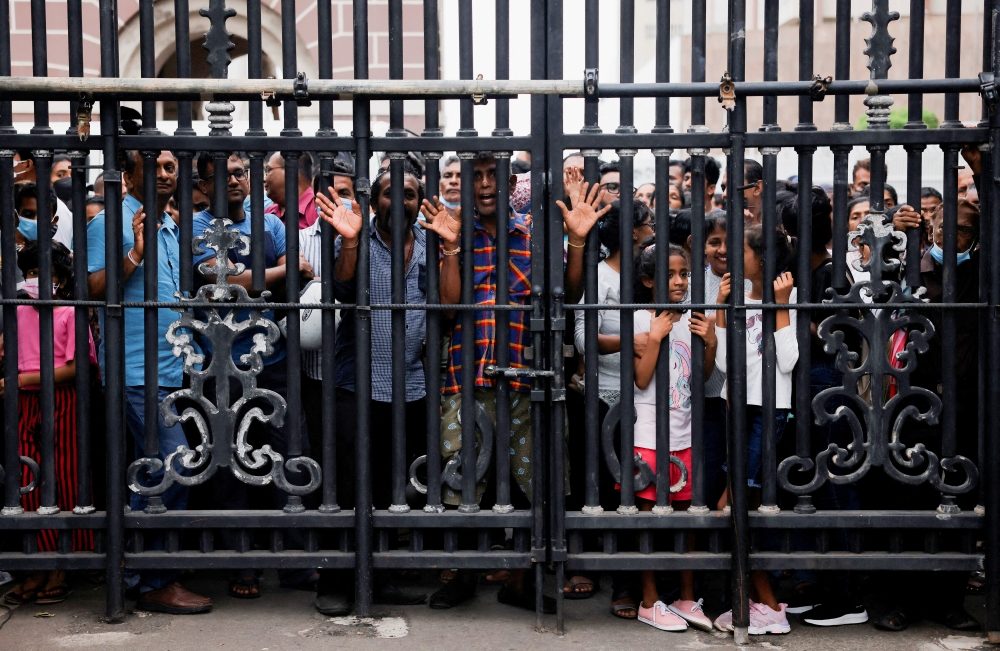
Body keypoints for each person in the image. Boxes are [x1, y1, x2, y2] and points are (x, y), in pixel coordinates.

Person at [418, 152, 609, 613]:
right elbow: (448, 309)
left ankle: (522, 582)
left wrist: (578, 242)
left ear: (508, 185)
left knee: (535, 482)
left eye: (492, 176)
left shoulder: (534, 234)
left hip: (528, 376)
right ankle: (462, 577)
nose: (484, 185)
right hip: (468, 374)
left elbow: (569, 294)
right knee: (462, 478)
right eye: (475, 176)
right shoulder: (451, 231)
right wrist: (449, 248)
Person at [86, 149, 212, 615]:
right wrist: (135, 254)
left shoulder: (168, 222)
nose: (166, 174)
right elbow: (93, 290)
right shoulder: (111, 222)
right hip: (137, 372)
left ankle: (140, 567)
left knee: (160, 472)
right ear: (128, 172)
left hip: (172, 369)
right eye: (155, 166)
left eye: (170, 166)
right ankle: (148, 577)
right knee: (170, 466)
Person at [191, 152, 317, 600]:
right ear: (204, 184)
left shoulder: (273, 225)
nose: (236, 181)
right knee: (228, 466)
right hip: (219, 365)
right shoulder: (197, 228)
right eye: (222, 176)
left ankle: (296, 566)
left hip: (273, 360)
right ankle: (241, 565)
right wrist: (280, 271)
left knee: (287, 456)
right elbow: (224, 284)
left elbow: (293, 272)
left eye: (242, 173)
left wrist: (271, 275)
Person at [312, 162, 430, 616]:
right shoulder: (359, 238)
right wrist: (349, 240)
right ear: (373, 199)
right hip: (355, 383)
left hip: (410, 385)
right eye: (388, 193)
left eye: (410, 194)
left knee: (391, 489)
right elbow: (342, 288)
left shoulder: (429, 244)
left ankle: (379, 577)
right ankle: (337, 579)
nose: (399, 201)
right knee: (345, 485)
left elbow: (445, 305)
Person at [570, 199, 654, 616]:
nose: (653, 227)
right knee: (600, 484)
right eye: (647, 223)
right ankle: (587, 564)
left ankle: (627, 578)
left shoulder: (652, 275)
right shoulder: (600, 276)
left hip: (649, 396)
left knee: (636, 487)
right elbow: (585, 340)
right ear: (632, 232)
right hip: (603, 396)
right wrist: (631, 342)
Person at [0, 241, 97, 607]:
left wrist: (22, 380)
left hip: (61, 399)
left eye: (46, 274)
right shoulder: (18, 310)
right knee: (27, 481)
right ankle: (36, 564)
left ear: (61, 277)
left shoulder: (70, 312)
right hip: (23, 404)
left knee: (65, 478)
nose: (37, 280)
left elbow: (79, 366)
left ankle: (61, 564)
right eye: (31, 273)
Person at [713, 224, 796, 635]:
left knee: (735, 503)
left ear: (760, 257)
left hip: (769, 410)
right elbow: (726, 366)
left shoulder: (787, 295)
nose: (729, 256)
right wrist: (721, 309)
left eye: (738, 249)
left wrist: (780, 305)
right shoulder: (736, 298)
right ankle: (755, 601)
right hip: (737, 407)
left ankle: (769, 606)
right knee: (736, 504)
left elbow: (787, 362)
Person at [630, 240, 716, 633]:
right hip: (649, 434)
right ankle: (649, 600)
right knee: (649, 519)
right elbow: (642, 378)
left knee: (687, 519)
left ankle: (685, 596)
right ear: (648, 281)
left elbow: (698, 377)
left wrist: (710, 342)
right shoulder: (640, 318)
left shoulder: (690, 318)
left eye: (685, 274)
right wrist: (656, 335)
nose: (680, 282)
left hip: (685, 431)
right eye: (671, 275)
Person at [12, 151, 73, 251]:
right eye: (27, 214)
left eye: (11, 162)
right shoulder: (10, 200)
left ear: (27, 164)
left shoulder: (57, 208)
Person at [264, 151, 319, 229]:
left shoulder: (318, 209)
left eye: (268, 170)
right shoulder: (269, 212)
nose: (264, 179)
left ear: (290, 171)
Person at [720, 159, 763, 224]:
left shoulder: (778, 226)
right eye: (723, 188)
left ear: (757, 188)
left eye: (733, 187)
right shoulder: (720, 228)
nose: (724, 194)